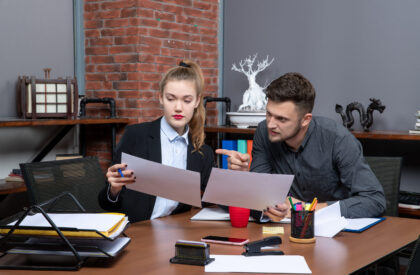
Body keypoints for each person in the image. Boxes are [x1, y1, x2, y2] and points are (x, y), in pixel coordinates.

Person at [216, 72, 386, 222]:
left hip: (336, 235)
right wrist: (243, 176)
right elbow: (262, 194)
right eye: (268, 114)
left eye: (282, 119)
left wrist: (305, 209)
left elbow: (374, 200)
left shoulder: (337, 139)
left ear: (305, 119)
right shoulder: (263, 131)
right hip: (284, 233)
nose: (271, 124)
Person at [98, 60, 214, 223]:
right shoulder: (136, 136)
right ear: (160, 98)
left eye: (187, 100)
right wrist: (113, 190)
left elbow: (219, 199)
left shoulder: (202, 152)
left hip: (176, 231)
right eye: (171, 99)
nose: (178, 108)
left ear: (196, 101)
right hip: (138, 233)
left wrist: (236, 172)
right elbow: (106, 203)